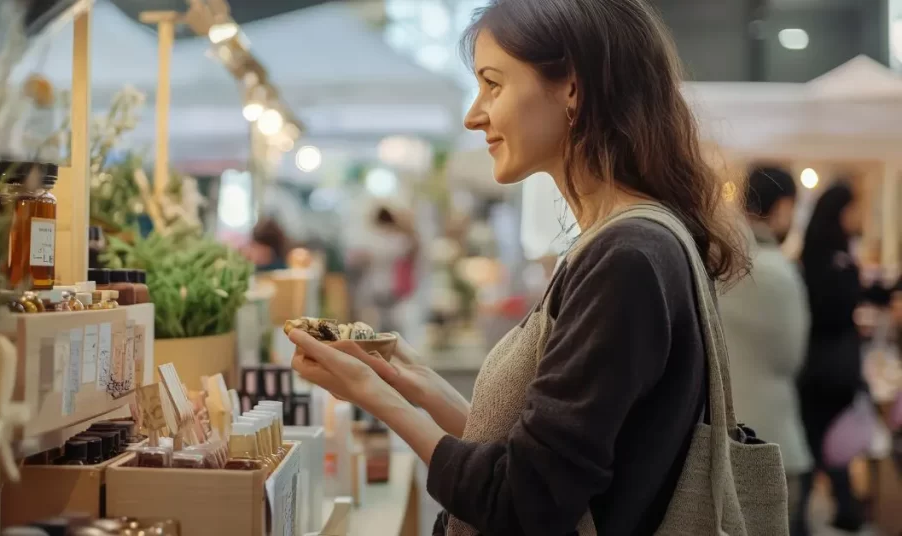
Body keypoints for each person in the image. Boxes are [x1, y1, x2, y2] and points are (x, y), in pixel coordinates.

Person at [287, 1, 758, 534]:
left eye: (493, 84)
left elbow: (525, 501)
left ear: (573, 88)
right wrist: (408, 380)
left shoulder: (626, 258)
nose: (474, 114)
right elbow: (540, 458)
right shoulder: (617, 245)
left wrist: (373, 397)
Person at [719, 166, 812, 535]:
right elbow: (793, 357)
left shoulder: (715, 261)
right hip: (774, 439)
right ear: (785, 207)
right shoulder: (778, 272)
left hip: (722, 435)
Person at [796, 182, 869, 533]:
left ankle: (834, 511)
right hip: (830, 366)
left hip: (818, 364)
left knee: (818, 440)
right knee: (823, 442)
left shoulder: (814, 254)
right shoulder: (832, 258)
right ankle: (839, 512)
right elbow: (833, 311)